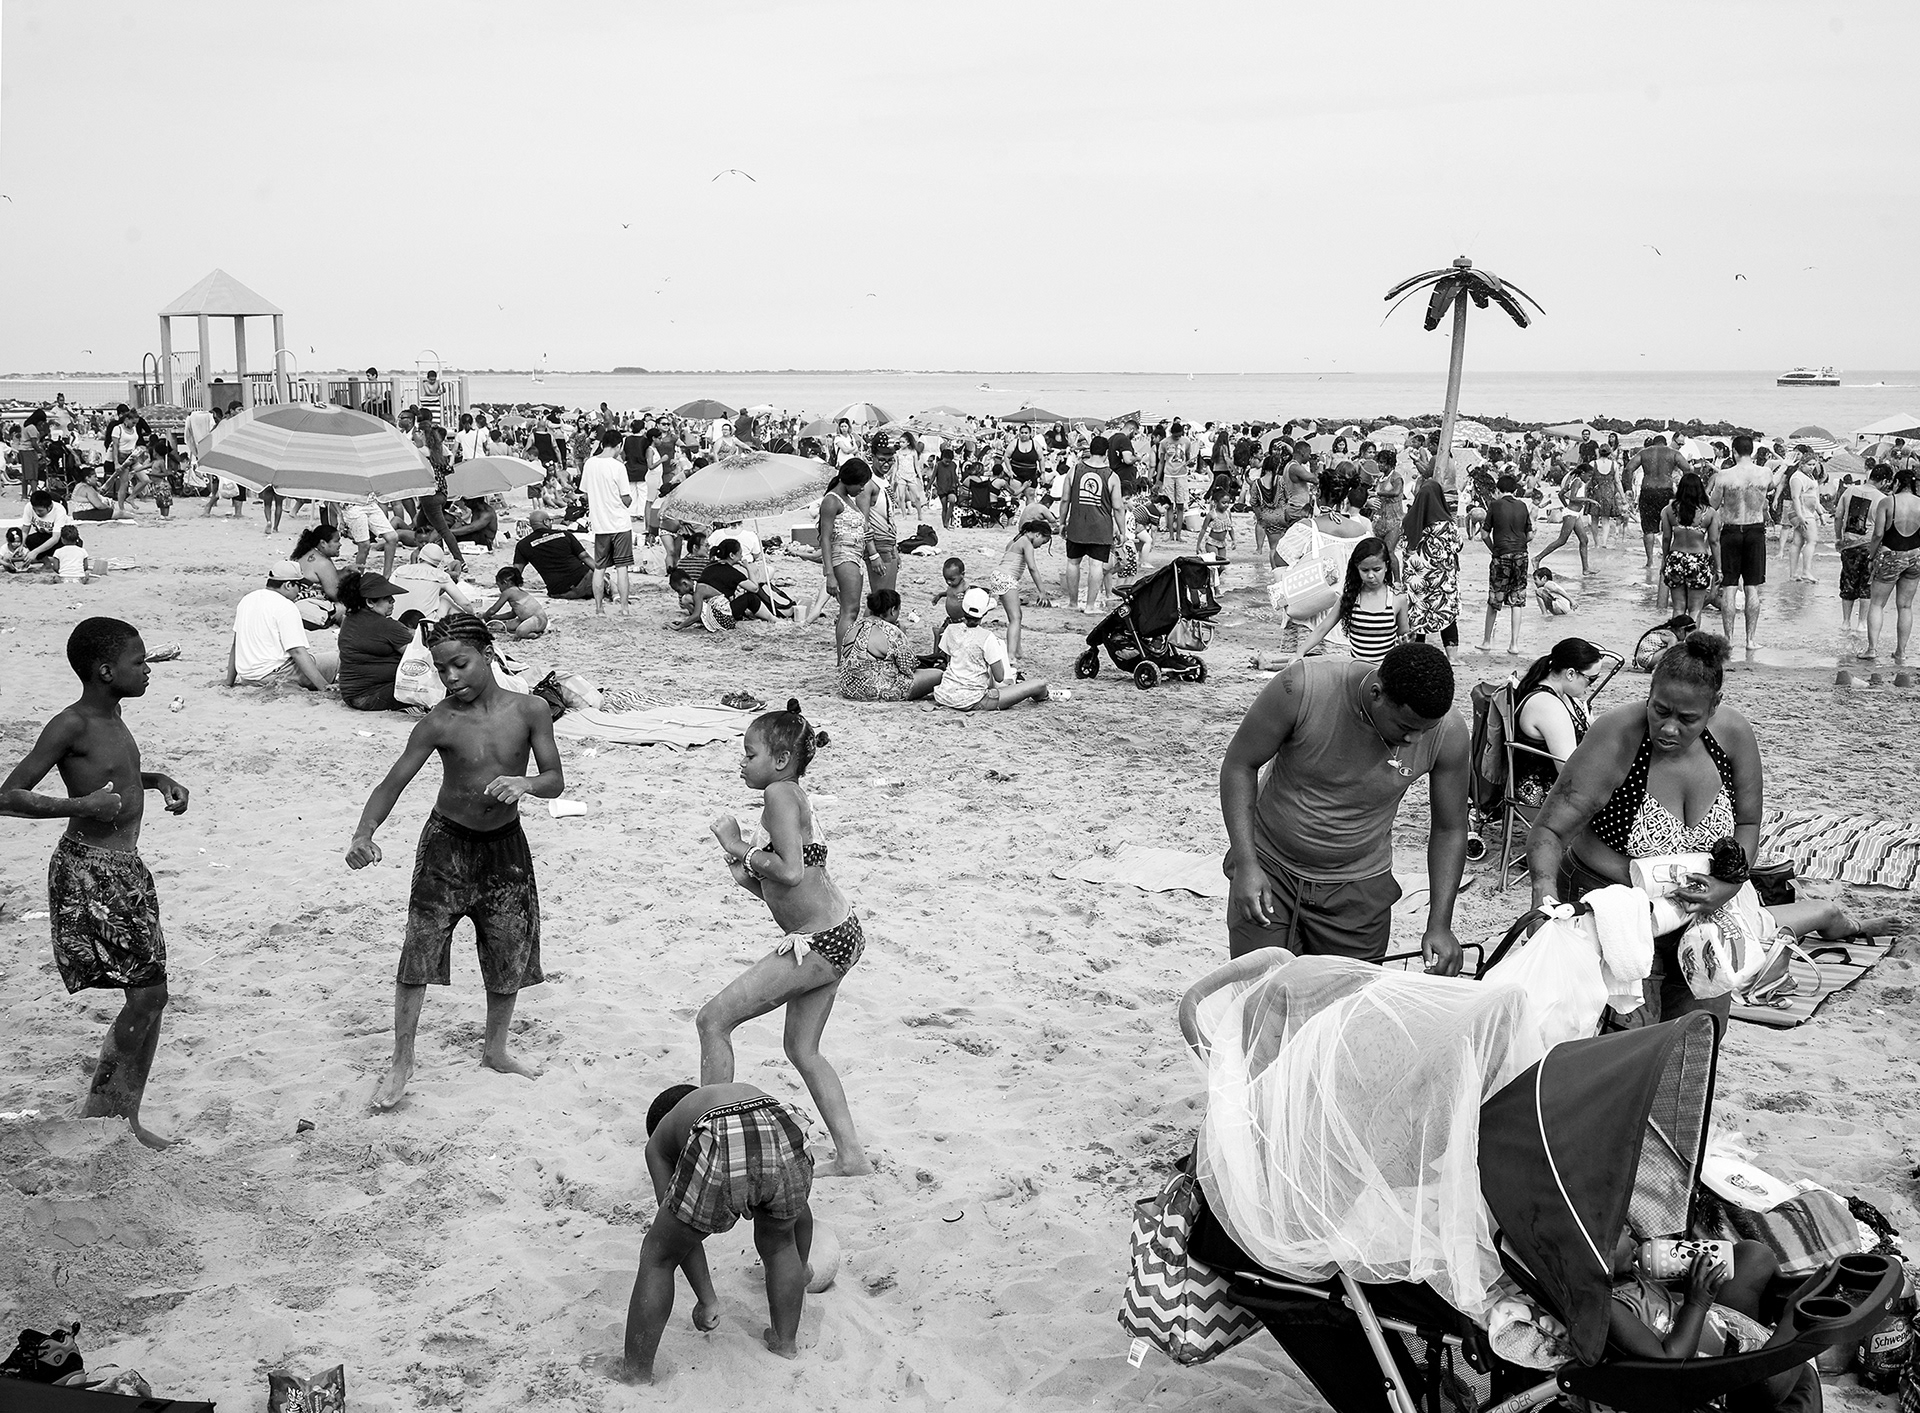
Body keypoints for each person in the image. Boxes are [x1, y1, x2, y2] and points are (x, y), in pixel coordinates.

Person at [344, 613, 564, 1109]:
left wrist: (525, 784)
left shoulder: (530, 711)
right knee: (418, 952)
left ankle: (496, 1050)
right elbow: (392, 782)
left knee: (508, 949)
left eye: (460, 665)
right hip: (446, 846)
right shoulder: (439, 721)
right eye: (441, 670)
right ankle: (401, 1060)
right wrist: (364, 832)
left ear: (487, 653)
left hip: (505, 847)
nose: (451, 678)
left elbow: (554, 778)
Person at [0, 618, 190, 1149]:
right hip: (91, 872)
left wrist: (156, 781)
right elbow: (8, 795)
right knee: (149, 995)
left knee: (152, 995)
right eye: (139, 662)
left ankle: (116, 1119)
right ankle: (106, 1119)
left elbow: (117, 777)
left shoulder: (113, 714)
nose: (148, 670)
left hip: (124, 871)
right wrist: (81, 806)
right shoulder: (72, 724)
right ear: (107, 671)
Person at [1524, 633, 1760, 1031]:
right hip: (1615, 911)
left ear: (1713, 708)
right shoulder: (1617, 737)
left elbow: (1749, 823)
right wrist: (1544, 895)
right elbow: (1549, 829)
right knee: (1624, 1039)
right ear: (1648, 693)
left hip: (1700, 916)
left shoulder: (1732, 735)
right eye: (1659, 710)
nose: (1668, 729)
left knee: (1698, 1034)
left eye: (1687, 719)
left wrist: (1730, 885)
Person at [697, 702, 871, 1176]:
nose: (742, 761)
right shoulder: (792, 795)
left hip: (817, 941)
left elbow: (790, 873)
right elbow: (787, 882)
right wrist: (745, 871)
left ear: (778, 760)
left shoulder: (777, 794)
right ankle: (852, 1158)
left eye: (749, 753)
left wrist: (740, 848)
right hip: (839, 932)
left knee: (713, 1021)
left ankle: (712, 1149)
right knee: (803, 1050)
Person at [1219, 641, 1468, 969]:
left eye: (1426, 729)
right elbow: (1239, 765)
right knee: (1260, 991)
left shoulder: (1448, 732)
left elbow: (1450, 829)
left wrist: (1439, 923)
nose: (1414, 741)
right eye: (1406, 728)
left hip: (1359, 889)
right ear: (1377, 693)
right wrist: (1246, 865)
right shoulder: (1303, 689)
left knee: (1344, 1001)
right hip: (1270, 870)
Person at [614, 1081, 818, 1382]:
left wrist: (706, 1299)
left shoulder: (661, 1141)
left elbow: (678, 1237)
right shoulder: (721, 1095)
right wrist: (800, 1267)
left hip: (722, 1134)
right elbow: (800, 1215)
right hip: (781, 1119)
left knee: (659, 1255)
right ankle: (784, 1343)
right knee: (779, 1244)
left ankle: (635, 1372)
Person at [1606, 1231, 1819, 1413]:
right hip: (1716, 1381)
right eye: (1620, 1231)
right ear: (1597, 1256)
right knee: (1769, 1380)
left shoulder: (1624, 1275)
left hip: (1720, 1327)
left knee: (1753, 1255)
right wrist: (1696, 1303)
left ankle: (1785, 1298)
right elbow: (1669, 1364)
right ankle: (1797, 1316)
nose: (1631, 1233)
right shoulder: (1608, 1308)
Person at [1510, 637, 1605, 805]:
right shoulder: (1548, 706)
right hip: (1545, 797)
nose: (1591, 685)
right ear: (1570, 674)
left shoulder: (1560, 695)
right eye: (1591, 679)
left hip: (1543, 786)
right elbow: (1569, 772)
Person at [224, 561, 340, 690]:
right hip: (277, 674)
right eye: (300, 587)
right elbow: (297, 652)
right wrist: (323, 686)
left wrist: (229, 682)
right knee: (338, 658)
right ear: (288, 585)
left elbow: (236, 644)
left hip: (248, 677)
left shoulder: (247, 600)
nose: (300, 592)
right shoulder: (286, 606)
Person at [1292, 536, 1406, 665]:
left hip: (1385, 670)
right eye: (1364, 570)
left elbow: (1404, 635)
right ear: (1357, 569)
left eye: (1376, 569)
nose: (1370, 575)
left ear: (1386, 566)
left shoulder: (1398, 599)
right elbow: (1322, 629)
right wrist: (1299, 653)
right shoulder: (1350, 598)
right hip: (1356, 670)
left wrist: (1406, 641)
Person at [933, 587, 1051, 711]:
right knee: (1039, 684)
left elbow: (950, 660)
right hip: (973, 699)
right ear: (984, 613)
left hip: (944, 694)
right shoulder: (987, 637)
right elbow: (999, 676)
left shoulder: (950, 629)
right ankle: (1046, 696)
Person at [1708, 435, 1771, 652]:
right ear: (1752, 451)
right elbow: (1771, 488)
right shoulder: (1764, 473)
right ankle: (1750, 641)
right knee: (1752, 588)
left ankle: (1729, 639)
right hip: (1755, 530)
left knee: (1729, 588)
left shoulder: (1724, 475)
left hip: (1731, 530)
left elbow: (1713, 505)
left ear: (1734, 451)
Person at [1401, 454, 1462, 659]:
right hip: (1443, 580)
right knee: (1446, 616)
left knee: (1418, 617)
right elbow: (1458, 546)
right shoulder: (1447, 524)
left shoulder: (1410, 521)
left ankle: (1418, 654)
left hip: (1417, 579)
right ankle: (1452, 657)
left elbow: (1403, 547)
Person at [838, 590, 942, 702]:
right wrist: (902, 634)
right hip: (874, 690)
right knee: (938, 674)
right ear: (893, 610)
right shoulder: (891, 631)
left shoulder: (854, 626)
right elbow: (908, 667)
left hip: (848, 687)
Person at [336, 569, 414, 711]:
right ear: (370, 602)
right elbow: (415, 657)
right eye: (387, 598)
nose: (393, 601)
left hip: (351, 694)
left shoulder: (350, 619)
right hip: (372, 695)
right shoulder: (387, 626)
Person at [1061, 434, 1122, 615]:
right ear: (1106, 453)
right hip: (1101, 527)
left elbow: (1065, 500)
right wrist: (1122, 531)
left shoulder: (1074, 470)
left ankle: (1072, 603)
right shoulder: (1112, 476)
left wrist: (1062, 522)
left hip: (1077, 523)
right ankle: (1090, 606)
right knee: (1095, 565)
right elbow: (1118, 507)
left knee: (1073, 562)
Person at [1865, 465, 1920, 667]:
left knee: (1877, 603)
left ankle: (1872, 649)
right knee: (1905, 606)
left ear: (1896, 483)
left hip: (1891, 554)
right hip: (1915, 556)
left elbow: (1878, 534)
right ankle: (1901, 652)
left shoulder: (1888, 502)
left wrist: (1871, 557)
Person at [818, 461, 872, 663]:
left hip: (854, 557)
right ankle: (843, 660)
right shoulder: (832, 501)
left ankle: (845, 657)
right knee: (849, 611)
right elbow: (825, 538)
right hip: (843, 556)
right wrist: (829, 574)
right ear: (849, 481)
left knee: (850, 610)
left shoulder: (846, 499)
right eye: (860, 484)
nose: (862, 488)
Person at [1835, 465, 1890, 649]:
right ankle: (1861, 624)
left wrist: (1838, 538)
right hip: (1869, 546)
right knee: (1867, 585)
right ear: (1884, 481)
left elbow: (1838, 516)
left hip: (1849, 544)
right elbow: (1881, 530)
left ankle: (1845, 622)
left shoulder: (1850, 490)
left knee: (1848, 582)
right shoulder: (1883, 499)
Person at [581, 425, 635, 615]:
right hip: (619, 523)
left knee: (600, 567)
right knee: (622, 568)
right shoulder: (618, 467)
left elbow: (586, 494)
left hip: (600, 523)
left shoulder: (590, 464)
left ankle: (598, 608)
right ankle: (624, 608)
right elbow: (626, 498)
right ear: (618, 445)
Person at [1480, 473, 1533, 655]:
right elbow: (1530, 535)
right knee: (1517, 600)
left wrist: (1494, 549)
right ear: (1515, 490)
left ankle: (1487, 642)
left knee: (1495, 599)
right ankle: (1514, 645)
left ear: (1498, 490)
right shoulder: (1523, 505)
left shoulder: (1494, 505)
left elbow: (1485, 534)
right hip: (1521, 555)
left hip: (1501, 554)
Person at [987, 520, 1054, 663]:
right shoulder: (1026, 543)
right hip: (1007, 578)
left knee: (1017, 615)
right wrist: (1042, 592)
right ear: (1037, 534)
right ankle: (1010, 655)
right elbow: (1032, 568)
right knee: (1015, 618)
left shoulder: (1015, 540)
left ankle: (1017, 651)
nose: (1040, 546)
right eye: (1042, 542)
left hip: (999, 575)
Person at [1661, 472, 1717, 622]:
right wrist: (1718, 568)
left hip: (1675, 558)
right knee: (1695, 609)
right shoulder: (1709, 513)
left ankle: (1677, 642)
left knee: (1678, 608)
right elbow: (1714, 541)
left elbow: (1666, 538)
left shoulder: (1668, 510)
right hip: (1697, 559)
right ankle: (1692, 643)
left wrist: (1664, 562)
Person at [511, 507, 595, 600]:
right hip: (584, 584)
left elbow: (516, 571)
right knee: (600, 576)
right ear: (546, 522)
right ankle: (614, 593)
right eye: (550, 521)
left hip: (558, 592)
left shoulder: (523, 545)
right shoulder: (565, 534)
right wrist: (600, 572)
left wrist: (512, 591)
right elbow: (585, 556)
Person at [1633, 435, 1682, 576]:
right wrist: (1683, 488)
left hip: (1648, 490)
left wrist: (1629, 489)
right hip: (1666, 491)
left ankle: (1650, 561)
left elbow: (1628, 469)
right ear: (1665, 443)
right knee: (1670, 525)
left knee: (1648, 529)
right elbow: (1688, 469)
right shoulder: (1673, 453)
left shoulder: (1644, 453)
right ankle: (1667, 559)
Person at [483, 565, 548, 638]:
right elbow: (512, 614)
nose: (500, 589)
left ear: (505, 583)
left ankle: (535, 635)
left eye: (499, 586)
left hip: (536, 620)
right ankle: (533, 630)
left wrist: (485, 615)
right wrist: (496, 617)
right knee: (508, 626)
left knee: (520, 632)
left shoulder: (508, 592)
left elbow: (493, 610)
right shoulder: (518, 592)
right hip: (538, 619)